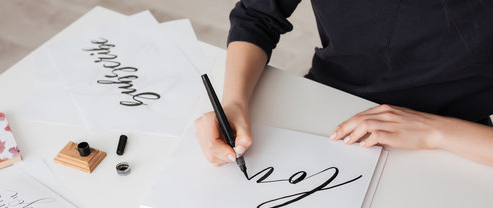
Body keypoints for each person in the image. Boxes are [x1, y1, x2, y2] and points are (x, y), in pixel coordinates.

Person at [194, 0, 493, 167]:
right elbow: (257, 16)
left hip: (457, 144)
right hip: (327, 108)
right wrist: (234, 103)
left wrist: (435, 131)